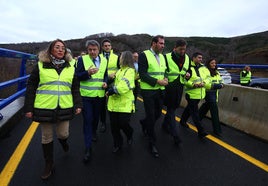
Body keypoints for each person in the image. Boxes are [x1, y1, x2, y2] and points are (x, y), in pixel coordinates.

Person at [24, 39, 82, 179]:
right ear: (50, 50)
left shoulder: (70, 67)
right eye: (57, 47)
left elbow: (75, 87)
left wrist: (78, 104)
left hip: (64, 106)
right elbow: (31, 86)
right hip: (45, 107)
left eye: (63, 47)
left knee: (63, 134)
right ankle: (49, 163)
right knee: (46, 136)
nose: (61, 50)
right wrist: (28, 107)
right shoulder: (41, 65)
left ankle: (64, 142)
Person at [75, 40, 108, 163]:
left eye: (95, 50)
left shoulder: (104, 60)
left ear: (99, 50)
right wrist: (87, 73)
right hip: (86, 96)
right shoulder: (82, 60)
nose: (92, 52)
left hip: (99, 96)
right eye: (90, 50)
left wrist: (106, 82)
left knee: (95, 119)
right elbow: (77, 76)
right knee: (88, 120)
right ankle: (88, 148)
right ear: (87, 50)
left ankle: (94, 131)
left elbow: (105, 75)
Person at [138, 35, 168, 158]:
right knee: (151, 116)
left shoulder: (162, 56)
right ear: (153, 43)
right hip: (148, 90)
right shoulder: (144, 55)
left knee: (158, 114)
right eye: (161, 43)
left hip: (160, 90)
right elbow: (143, 74)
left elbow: (164, 70)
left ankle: (144, 123)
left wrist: (165, 78)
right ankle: (152, 143)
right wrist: (157, 81)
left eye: (163, 44)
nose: (163, 46)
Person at [161, 39, 190, 145]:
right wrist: (164, 78)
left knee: (172, 108)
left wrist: (188, 74)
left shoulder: (187, 58)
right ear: (175, 48)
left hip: (179, 87)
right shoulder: (166, 57)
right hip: (169, 86)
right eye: (180, 49)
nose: (183, 51)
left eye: (184, 49)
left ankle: (164, 125)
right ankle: (175, 134)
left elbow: (188, 70)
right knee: (171, 109)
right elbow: (161, 70)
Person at [106, 51, 135, 153]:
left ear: (125, 58)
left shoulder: (130, 71)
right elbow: (114, 82)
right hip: (113, 104)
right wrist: (108, 80)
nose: (120, 59)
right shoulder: (119, 71)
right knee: (114, 127)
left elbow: (124, 86)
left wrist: (111, 91)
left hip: (125, 104)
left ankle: (130, 133)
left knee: (123, 124)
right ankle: (118, 144)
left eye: (121, 57)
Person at [180, 52, 211, 138]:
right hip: (191, 94)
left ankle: (183, 120)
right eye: (199, 58)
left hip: (200, 94)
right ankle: (201, 131)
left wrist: (204, 83)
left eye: (201, 58)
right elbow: (184, 80)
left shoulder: (203, 68)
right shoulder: (188, 67)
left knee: (189, 108)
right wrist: (193, 85)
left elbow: (208, 77)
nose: (201, 59)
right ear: (193, 58)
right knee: (195, 113)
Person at [199, 58, 224, 136]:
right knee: (214, 111)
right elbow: (204, 83)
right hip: (208, 92)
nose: (214, 64)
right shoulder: (206, 71)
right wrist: (216, 86)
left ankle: (197, 118)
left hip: (215, 92)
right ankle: (217, 130)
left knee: (206, 106)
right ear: (208, 64)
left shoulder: (217, 72)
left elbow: (221, 81)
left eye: (215, 63)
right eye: (212, 63)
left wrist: (221, 85)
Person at [99, 39, 119, 133]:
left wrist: (114, 74)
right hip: (101, 83)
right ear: (102, 47)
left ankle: (114, 122)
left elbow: (120, 69)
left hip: (113, 82)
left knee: (113, 103)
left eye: (109, 45)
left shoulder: (116, 57)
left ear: (111, 47)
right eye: (105, 45)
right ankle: (103, 122)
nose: (107, 47)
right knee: (102, 105)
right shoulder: (98, 57)